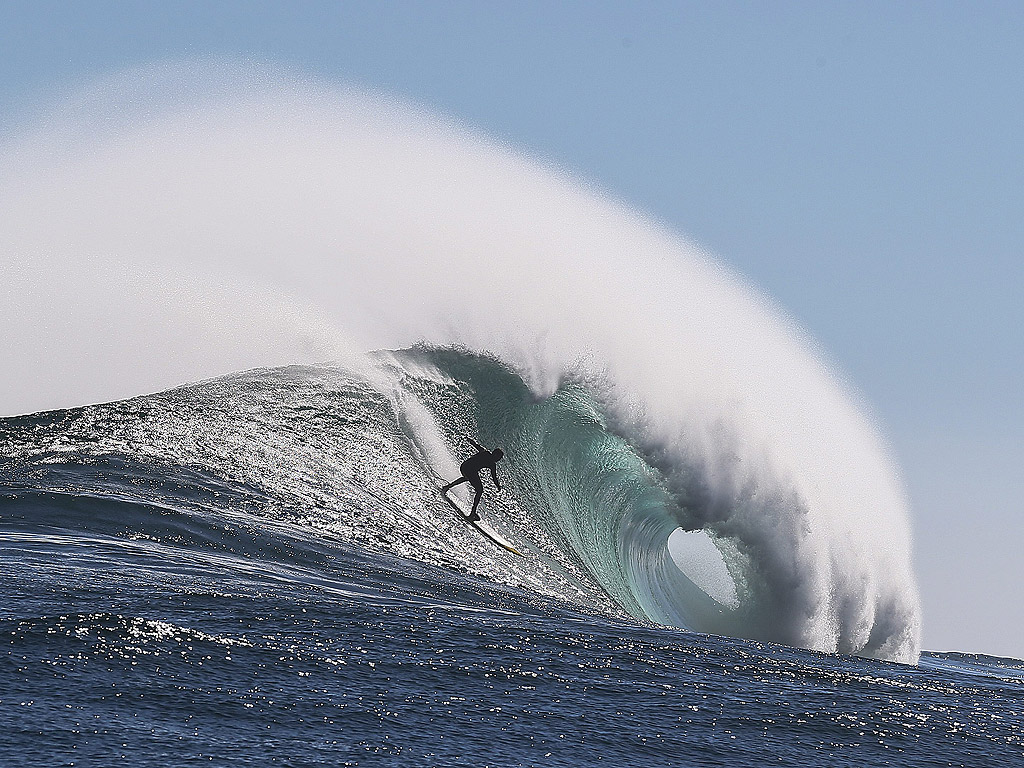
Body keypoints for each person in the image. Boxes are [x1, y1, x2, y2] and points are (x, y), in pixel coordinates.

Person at [441, 438, 504, 522]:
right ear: (495, 455)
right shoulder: (491, 463)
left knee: (467, 478)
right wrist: (498, 486)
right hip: (469, 470)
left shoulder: (486, 453)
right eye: (499, 457)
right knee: (480, 490)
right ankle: (472, 514)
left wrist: (470, 441)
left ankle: (447, 487)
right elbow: (494, 477)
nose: (499, 460)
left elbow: (476, 446)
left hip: (464, 466)